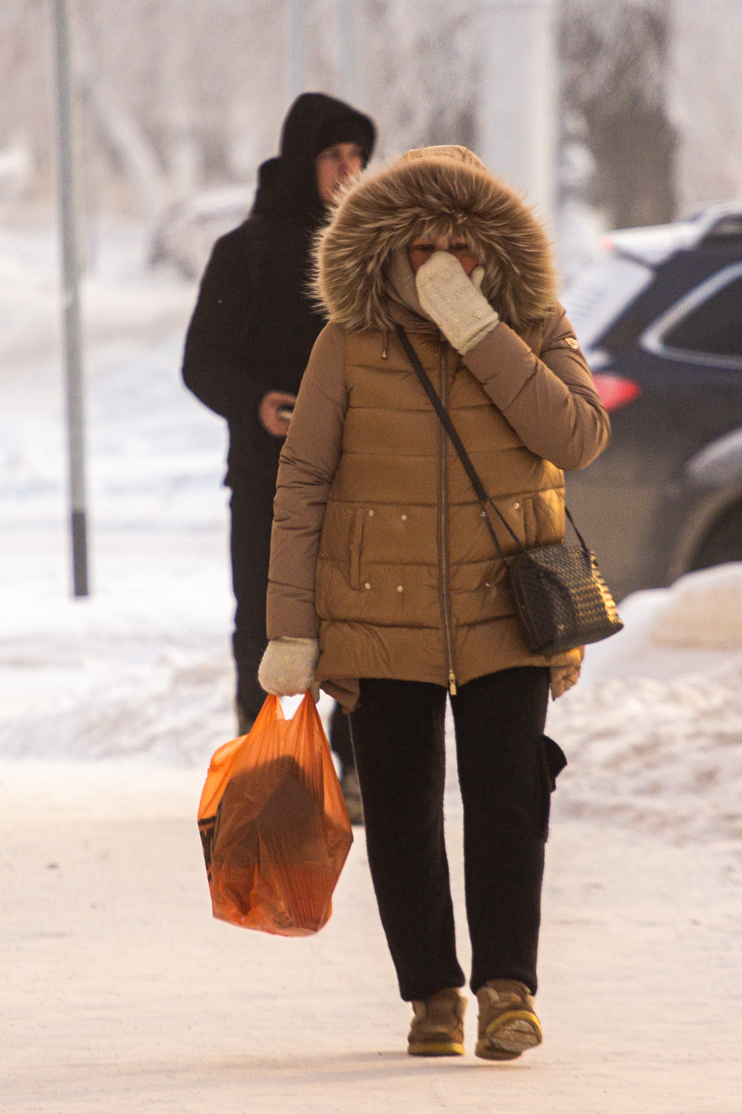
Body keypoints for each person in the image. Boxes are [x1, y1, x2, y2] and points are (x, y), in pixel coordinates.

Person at [260, 145, 610, 1061]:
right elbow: (302, 481)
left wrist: (480, 331)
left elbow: (576, 435)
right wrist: (292, 628)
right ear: (389, 247)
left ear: (494, 245)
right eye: (426, 245)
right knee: (404, 813)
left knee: (508, 802)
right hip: (378, 613)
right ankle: (430, 993)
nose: (445, 258)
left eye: (463, 241)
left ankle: (507, 988)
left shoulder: (533, 323)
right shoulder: (349, 341)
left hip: (508, 611)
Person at [182, 91, 375, 808]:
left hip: (358, 478)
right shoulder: (248, 253)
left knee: (358, 625)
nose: (349, 170)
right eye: (334, 156)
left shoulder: (370, 255)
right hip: (268, 478)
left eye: (358, 156)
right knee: (265, 626)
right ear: (304, 162)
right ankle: (270, 767)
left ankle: (355, 770)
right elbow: (202, 360)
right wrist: (257, 403)